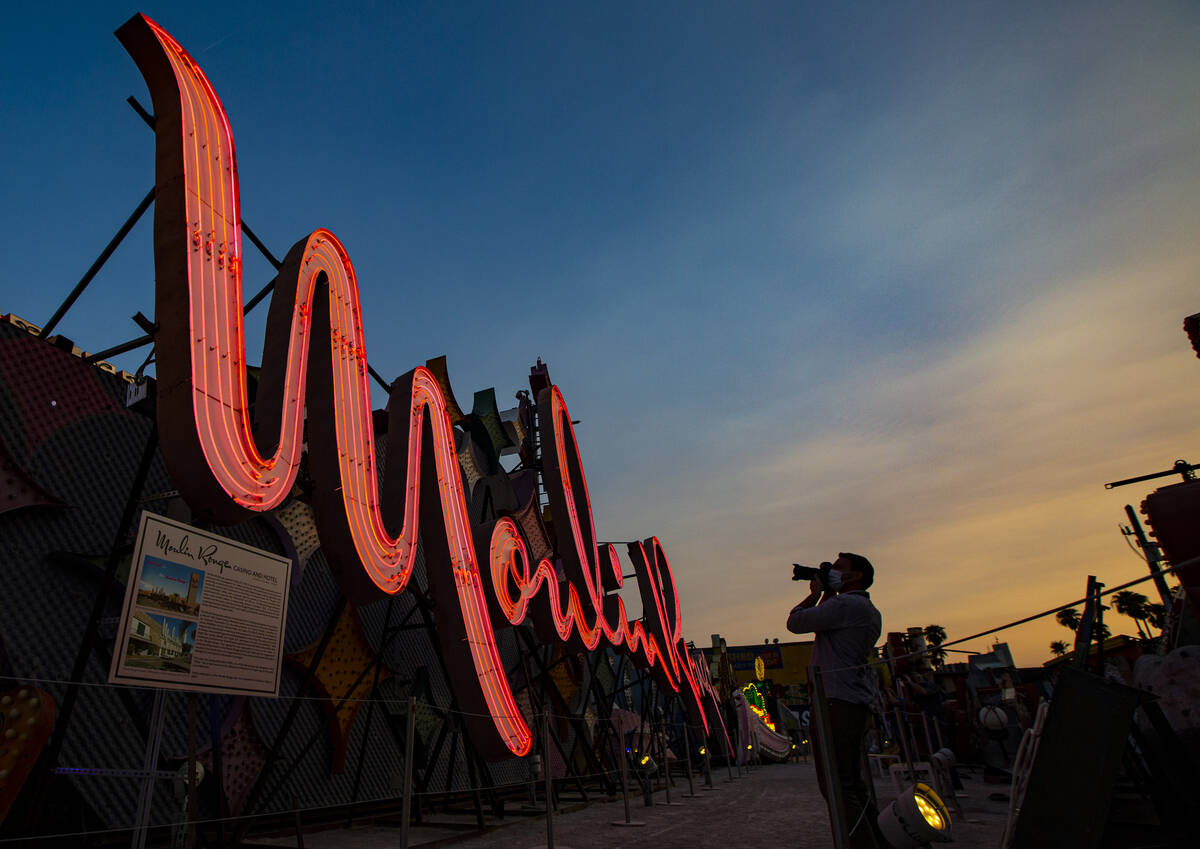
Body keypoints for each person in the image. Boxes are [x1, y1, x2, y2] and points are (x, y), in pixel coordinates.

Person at [787, 552, 884, 849]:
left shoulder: (848, 604)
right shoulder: (863, 608)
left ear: (856, 576)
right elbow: (822, 623)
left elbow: (796, 622)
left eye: (839, 569)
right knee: (851, 782)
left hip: (835, 701)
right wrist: (827, 590)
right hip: (849, 699)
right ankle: (878, 838)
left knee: (837, 785)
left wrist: (816, 594)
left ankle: (860, 842)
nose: (834, 572)